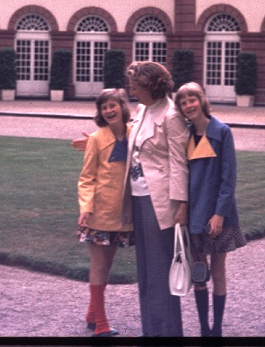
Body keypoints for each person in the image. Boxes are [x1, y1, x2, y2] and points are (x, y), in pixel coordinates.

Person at [75, 61, 189, 336]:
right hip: (137, 198)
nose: (132, 88)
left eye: (136, 84)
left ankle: (166, 331)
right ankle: (152, 328)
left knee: (160, 270)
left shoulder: (171, 115)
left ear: (150, 85)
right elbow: (128, 140)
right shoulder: (143, 109)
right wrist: (95, 140)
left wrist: (182, 204)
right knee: (146, 271)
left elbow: (179, 163)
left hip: (159, 201)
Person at [174, 82, 247, 337]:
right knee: (198, 270)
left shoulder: (222, 133)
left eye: (192, 100)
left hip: (219, 214)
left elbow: (228, 179)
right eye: (183, 103)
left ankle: (216, 328)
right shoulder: (184, 135)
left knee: (218, 269)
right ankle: (204, 327)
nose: (188, 106)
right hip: (194, 213)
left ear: (202, 101)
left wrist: (219, 214)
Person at [77, 88, 134, 337]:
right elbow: (87, 178)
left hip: (123, 215)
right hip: (98, 214)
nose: (109, 110)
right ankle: (101, 324)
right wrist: (86, 207)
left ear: (122, 106)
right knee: (99, 266)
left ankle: (92, 314)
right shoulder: (97, 139)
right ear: (100, 113)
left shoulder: (136, 134)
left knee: (108, 265)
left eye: (113, 105)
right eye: (104, 107)